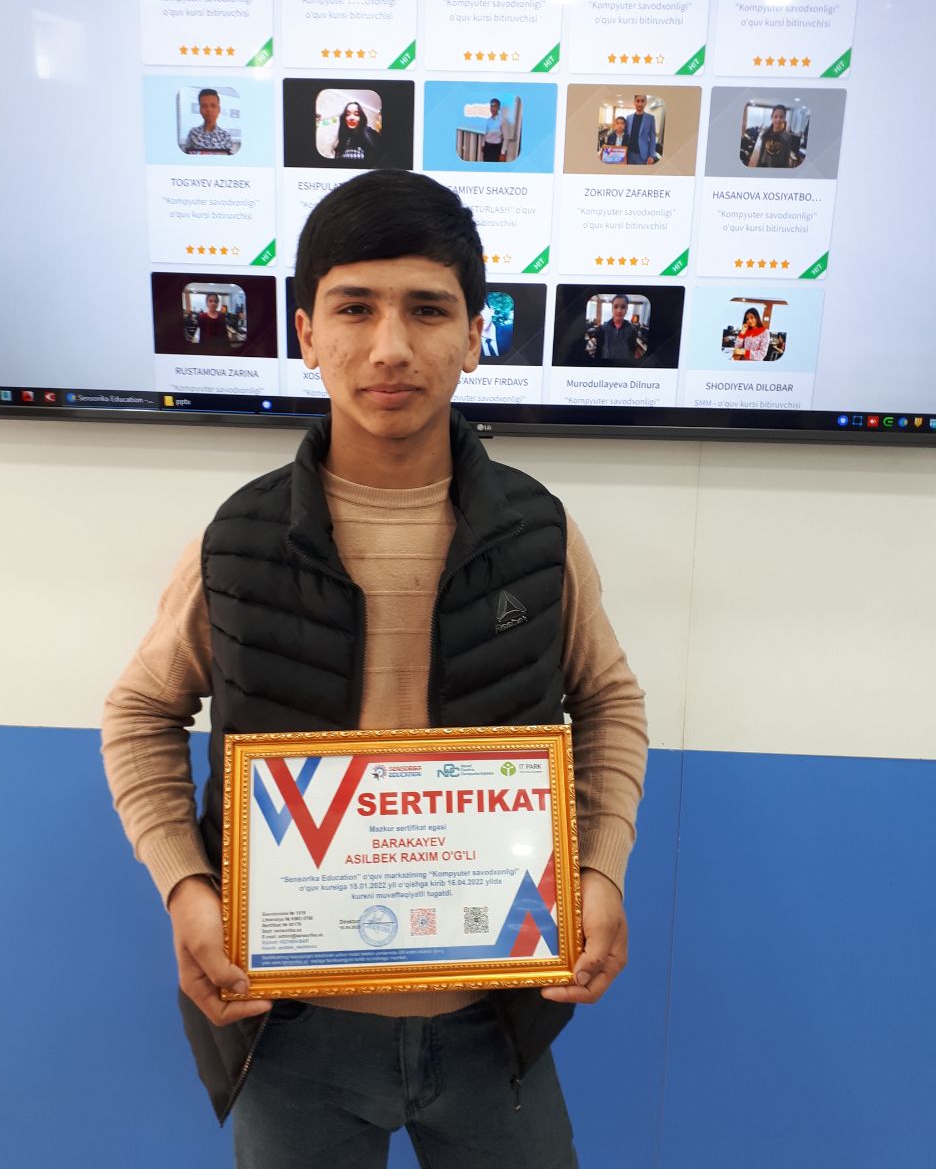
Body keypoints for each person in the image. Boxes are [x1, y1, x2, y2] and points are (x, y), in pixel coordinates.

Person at [102, 169, 649, 1168]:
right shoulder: (237, 540)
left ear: (475, 335)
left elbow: (608, 700)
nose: (390, 346)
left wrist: (600, 868)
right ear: (307, 332)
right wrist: (184, 887)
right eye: (355, 308)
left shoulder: (538, 532)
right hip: (291, 1037)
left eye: (427, 309)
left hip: (497, 1026)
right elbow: (141, 710)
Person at [588, 294, 639, 365]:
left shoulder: (632, 330)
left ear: (627, 309)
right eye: (616, 307)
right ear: (612, 308)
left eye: (623, 307)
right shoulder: (601, 330)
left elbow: (632, 352)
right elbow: (597, 352)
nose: (619, 310)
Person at [184, 89, 235, 155]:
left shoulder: (226, 136)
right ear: (200, 110)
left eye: (213, 106)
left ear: (219, 109)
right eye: (204, 106)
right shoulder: (193, 134)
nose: (209, 110)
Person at [747, 105, 796, 169]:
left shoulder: (787, 137)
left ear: (784, 118)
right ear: (772, 117)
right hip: (764, 166)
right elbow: (761, 153)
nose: (778, 119)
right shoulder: (766, 132)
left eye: (781, 117)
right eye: (775, 117)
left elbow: (786, 158)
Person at [625, 94, 657, 166]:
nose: (640, 104)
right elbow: (625, 134)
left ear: (645, 102)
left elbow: (653, 138)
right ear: (634, 102)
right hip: (629, 153)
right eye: (637, 101)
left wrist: (651, 155)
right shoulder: (628, 118)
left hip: (643, 155)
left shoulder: (650, 118)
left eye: (642, 101)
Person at [482, 97, 512, 162]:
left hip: (495, 149)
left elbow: (506, 138)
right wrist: (483, 144)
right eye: (491, 106)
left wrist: (502, 153)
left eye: (495, 106)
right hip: (487, 147)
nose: (492, 108)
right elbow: (486, 133)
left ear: (498, 108)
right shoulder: (488, 120)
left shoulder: (502, 121)